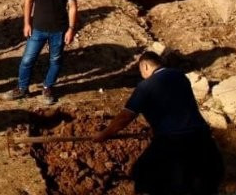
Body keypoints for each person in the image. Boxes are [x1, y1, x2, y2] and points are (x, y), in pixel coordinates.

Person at [94, 51, 224, 195]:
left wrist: (104, 134)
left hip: (174, 142)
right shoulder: (180, 76)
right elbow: (173, 104)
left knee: (143, 174)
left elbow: (126, 116)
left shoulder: (146, 86)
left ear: (145, 66)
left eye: (140, 70)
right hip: (202, 138)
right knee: (202, 184)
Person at [4, 0, 78, 105]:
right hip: (37, 28)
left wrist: (71, 29)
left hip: (59, 30)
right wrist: (26, 23)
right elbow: (28, 1)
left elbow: (72, 7)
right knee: (27, 60)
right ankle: (22, 88)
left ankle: (48, 87)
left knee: (55, 61)